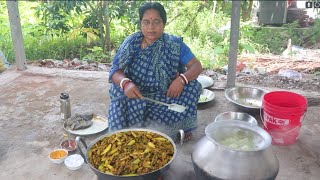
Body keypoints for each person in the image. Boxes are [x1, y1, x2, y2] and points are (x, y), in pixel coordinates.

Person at [108, 2, 203, 141]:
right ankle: (130, 136)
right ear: (140, 24)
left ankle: (179, 128)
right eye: (146, 22)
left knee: (193, 86)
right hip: (136, 94)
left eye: (156, 22)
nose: (151, 27)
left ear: (164, 24)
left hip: (166, 95)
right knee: (118, 92)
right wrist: (125, 83)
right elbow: (115, 71)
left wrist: (181, 80)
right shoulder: (131, 43)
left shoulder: (174, 44)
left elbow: (196, 66)